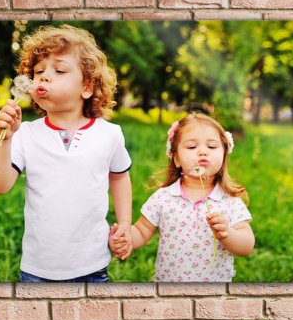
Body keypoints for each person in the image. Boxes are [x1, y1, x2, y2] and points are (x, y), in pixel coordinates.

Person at [0, 24, 132, 283]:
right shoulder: (26, 134)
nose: (43, 77)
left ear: (87, 87)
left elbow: (119, 176)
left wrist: (125, 224)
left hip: (93, 266)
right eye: (38, 71)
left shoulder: (110, 134)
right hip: (38, 270)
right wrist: (4, 139)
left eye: (59, 70)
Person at [109, 112, 254, 282]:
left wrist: (227, 233)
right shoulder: (163, 198)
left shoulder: (230, 202)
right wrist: (124, 238)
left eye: (212, 147)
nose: (202, 152)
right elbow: (141, 231)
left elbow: (247, 246)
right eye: (192, 147)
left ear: (224, 155)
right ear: (176, 158)